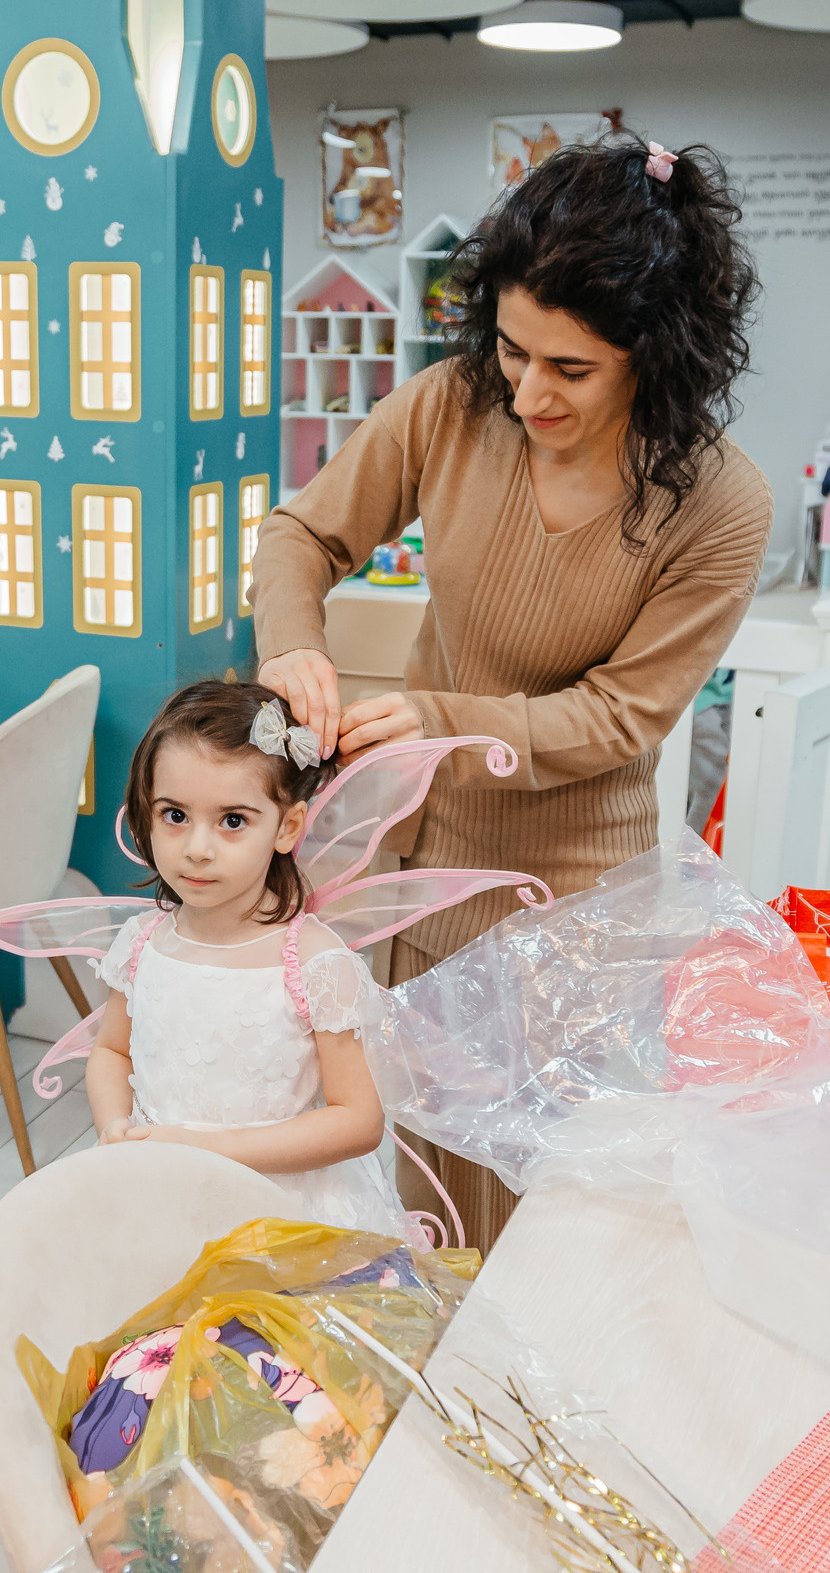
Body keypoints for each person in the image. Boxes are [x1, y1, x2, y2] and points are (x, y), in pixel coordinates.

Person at [249, 135, 773, 1249]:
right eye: (511, 349)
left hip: (580, 897)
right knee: (439, 1186)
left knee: (554, 1206)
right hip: (435, 871)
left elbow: (621, 719)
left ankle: (532, 1401)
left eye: (571, 369)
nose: (527, 391)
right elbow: (299, 535)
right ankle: (457, 1404)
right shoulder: (450, 406)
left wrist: (438, 720)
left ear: (656, 354)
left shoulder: (720, 503)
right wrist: (290, 646)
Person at [83, 682, 402, 1235]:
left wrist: (208, 1149)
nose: (197, 848)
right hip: (159, 1192)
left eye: (233, 820)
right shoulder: (141, 944)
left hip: (279, 1212)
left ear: (287, 827)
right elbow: (112, 1051)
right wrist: (115, 1126)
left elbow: (358, 1120)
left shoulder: (312, 962)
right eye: (175, 815)